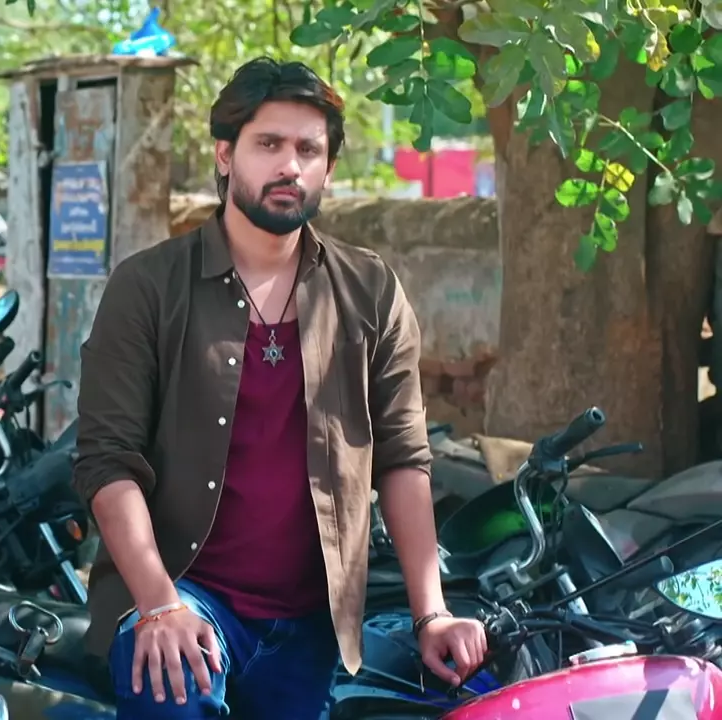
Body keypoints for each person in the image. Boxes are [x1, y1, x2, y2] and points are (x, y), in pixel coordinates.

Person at [72, 57, 487, 719]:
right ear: (225, 154)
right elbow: (107, 461)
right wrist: (158, 604)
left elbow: (404, 458)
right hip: (182, 592)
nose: (290, 165)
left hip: (315, 623)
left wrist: (431, 613)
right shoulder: (149, 287)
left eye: (308, 150)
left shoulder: (369, 290)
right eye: (268, 144)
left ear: (327, 167)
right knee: (175, 681)